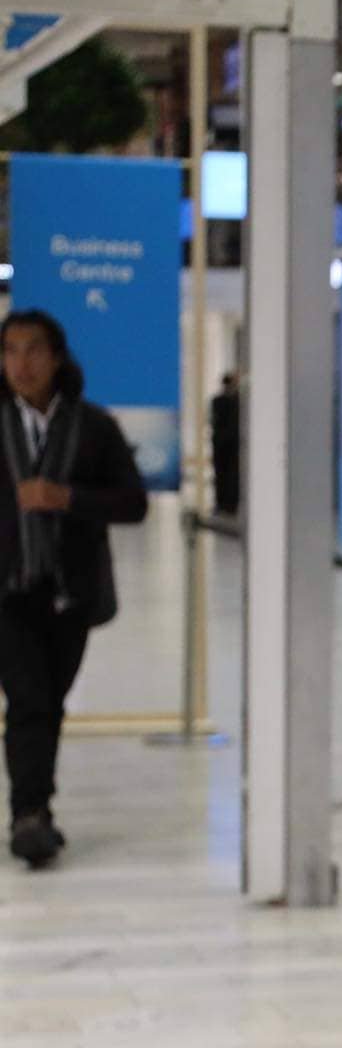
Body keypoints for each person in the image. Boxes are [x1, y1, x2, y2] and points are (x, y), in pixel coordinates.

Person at [0, 310, 148, 869]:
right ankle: (28, 815)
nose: (22, 364)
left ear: (57, 358)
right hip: (7, 591)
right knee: (28, 700)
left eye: (34, 350)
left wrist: (67, 499)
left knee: (48, 702)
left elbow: (132, 504)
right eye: (10, 351)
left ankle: (37, 809)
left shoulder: (94, 427)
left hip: (71, 593)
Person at [209, 370, 240, 517]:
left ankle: (225, 504)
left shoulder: (220, 401)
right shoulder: (232, 401)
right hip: (227, 444)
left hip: (224, 443)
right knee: (225, 475)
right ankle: (226, 504)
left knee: (225, 475)